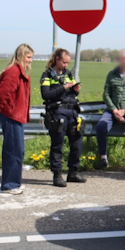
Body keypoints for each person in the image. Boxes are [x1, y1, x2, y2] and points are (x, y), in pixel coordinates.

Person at [0, 43, 33, 194]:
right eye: (28, 57)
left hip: (15, 115)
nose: (30, 60)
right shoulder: (14, 71)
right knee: (13, 150)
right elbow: (2, 93)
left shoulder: (17, 70)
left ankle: (14, 182)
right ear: (21, 55)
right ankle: (10, 185)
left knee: (17, 150)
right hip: (11, 115)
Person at [40, 48, 86, 187]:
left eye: (68, 63)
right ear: (57, 60)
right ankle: (57, 175)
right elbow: (46, 95)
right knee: (58, 144)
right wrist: (64, 88)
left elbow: (72, 93)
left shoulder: (68, 73)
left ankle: (73, 172)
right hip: (57, 112)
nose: (66, 65)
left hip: (71, 111)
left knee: (77, 142)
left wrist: (75, 90)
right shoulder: (47, 75)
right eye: (64, 62)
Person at [96, 49, 125, 168]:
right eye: (122, 59)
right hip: (113, 110)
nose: (124, 61)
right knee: (101, 126)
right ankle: (103, 158)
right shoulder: (111, 74)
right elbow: (106, 94)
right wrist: (114, 110)